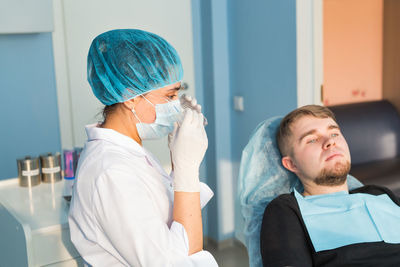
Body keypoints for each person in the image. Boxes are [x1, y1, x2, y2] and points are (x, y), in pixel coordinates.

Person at [68, 29, 218, 266]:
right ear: (130, 97)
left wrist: (179, 163)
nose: (176, 105)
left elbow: (163, 217)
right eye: (170, 96)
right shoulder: (111, 173)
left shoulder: (129, 152)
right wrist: (187, 171)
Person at [260, 105, 400, 266]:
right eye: (311, 139)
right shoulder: (287, 209)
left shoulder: (379, 193)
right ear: (292, 164)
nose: (330, 142)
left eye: (334, 133)